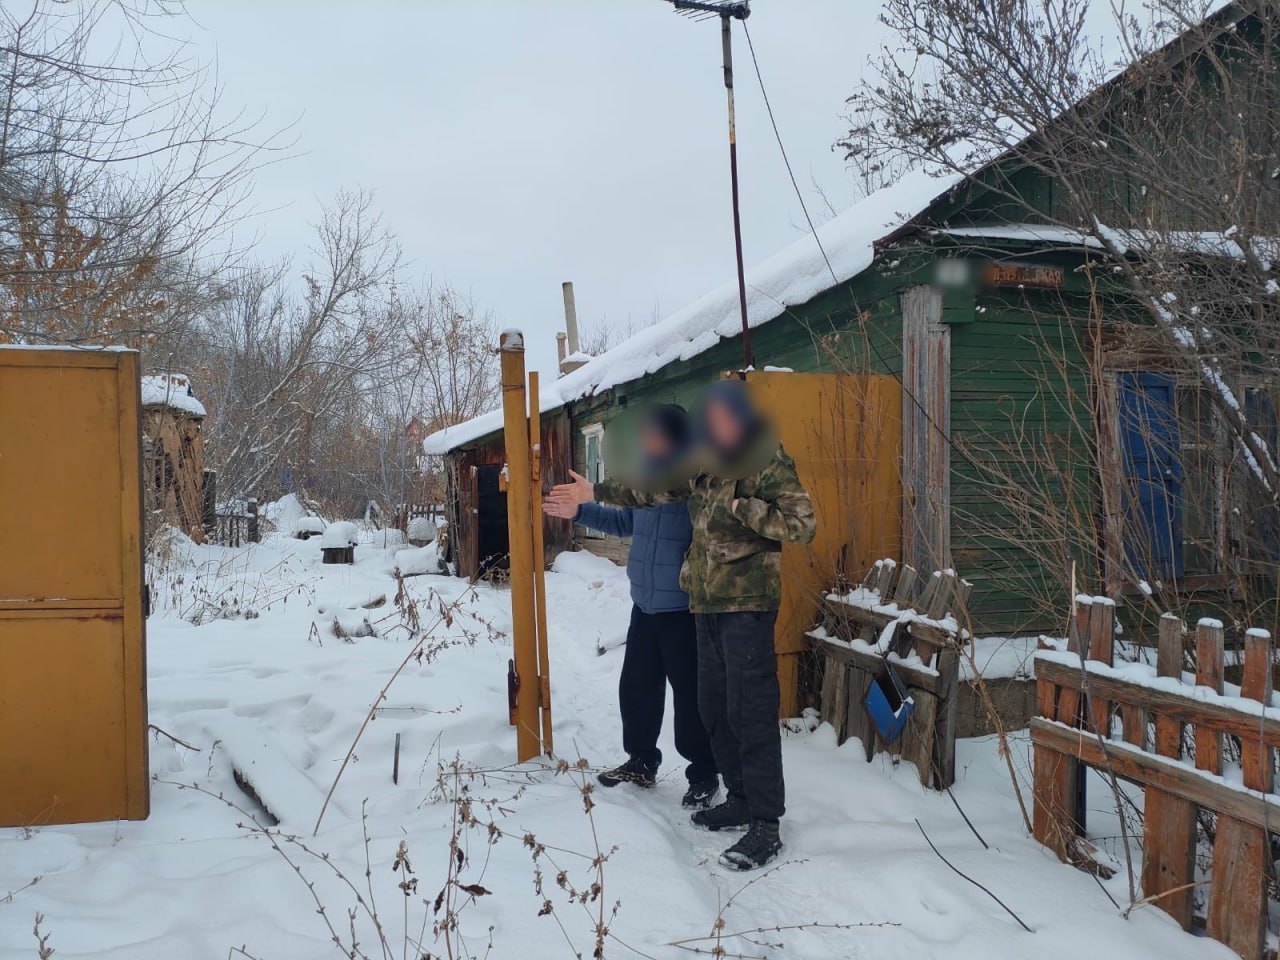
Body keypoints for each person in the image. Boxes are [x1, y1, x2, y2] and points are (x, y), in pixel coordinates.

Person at [548, 379, 815, 871]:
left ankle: (765, 824)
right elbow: (649, 492)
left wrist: (743, 507)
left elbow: (802, 523)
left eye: (724, 418)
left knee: (750, 712)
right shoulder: (702, 464)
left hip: (748, 605)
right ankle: (737, 797)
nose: (717, 427)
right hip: (706, 603)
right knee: (713, 706)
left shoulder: (766, 459)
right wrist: (596, 492)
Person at [542, 404, 719, 809]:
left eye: (653, 433)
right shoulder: (645, 477)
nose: (646, 441)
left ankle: (705, 773)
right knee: (637, 689)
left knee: (691, 697)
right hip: (645, 606)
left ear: (673, 436)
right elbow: (626, 524)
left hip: (682, 609)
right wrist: (581, 510)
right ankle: (641, 760)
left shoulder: (692, 479)